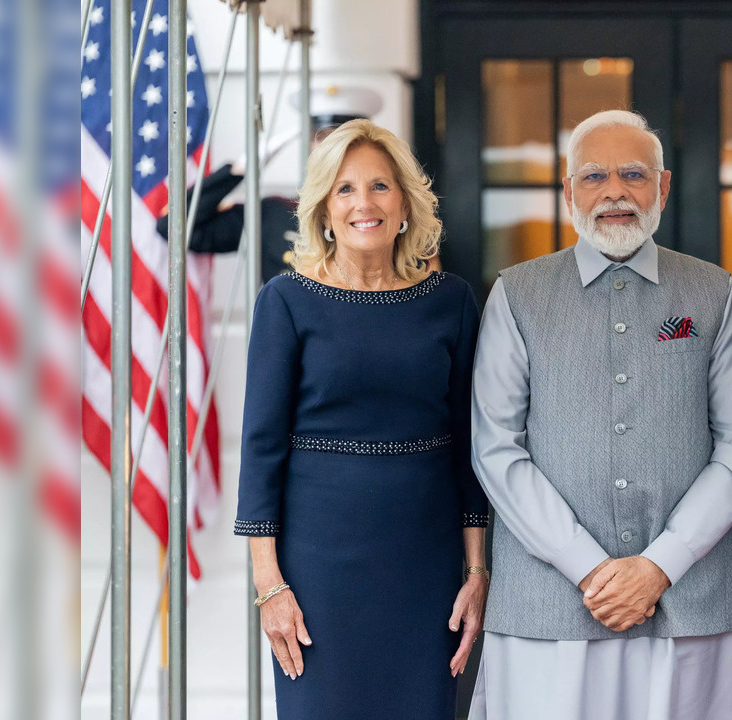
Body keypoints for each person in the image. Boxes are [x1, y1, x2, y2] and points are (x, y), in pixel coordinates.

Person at [468, 109, 732, 720]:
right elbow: (496, 448)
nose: (614, 192)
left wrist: (659, 567)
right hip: (547, 606)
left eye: (633, 174)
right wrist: (590, 568)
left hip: (687, 600)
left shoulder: (714, 292)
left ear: (663, 185)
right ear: (568, 188)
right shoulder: (516, 294)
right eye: (594, 176)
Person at [233, 119, 489, 718]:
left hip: (423, 567)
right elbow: (260, 452)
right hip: (317, 571)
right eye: (344, 189)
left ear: (405, 202)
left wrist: (476, 571)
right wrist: (269, 586)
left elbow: (469, 447)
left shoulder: (450, 302)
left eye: (379, 185)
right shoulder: (286, 301)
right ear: (323, 209)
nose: (363, 203)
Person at [156, 85, 446, 284]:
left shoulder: (388, 215)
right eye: (325, 141)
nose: (336, 154)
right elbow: (174, 227)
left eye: (345, 141)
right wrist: (237, 170)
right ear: (311, 147)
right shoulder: (271, 213)